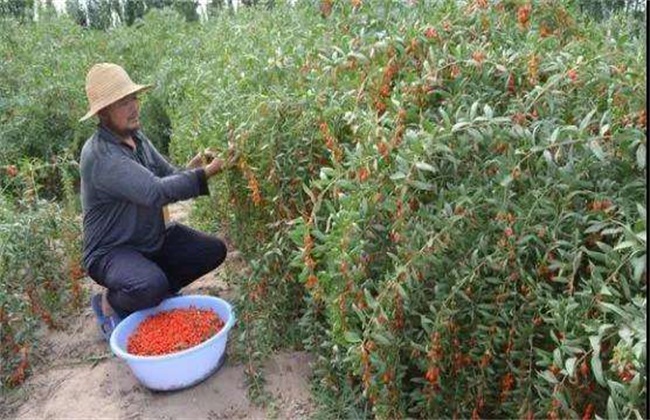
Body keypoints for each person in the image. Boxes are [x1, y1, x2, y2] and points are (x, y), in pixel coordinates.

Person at [79, 63, 231, 341]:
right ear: (102, 113)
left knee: (213, 251)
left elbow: (168, 176)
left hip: (149, 241)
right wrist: (206, 173)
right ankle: (113, 302)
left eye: (133, 98)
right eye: (123, 102)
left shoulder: (136, 136)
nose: (133, 107)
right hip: (112, 252)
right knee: (151, 286)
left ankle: (149, 288)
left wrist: (192, 168)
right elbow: (155, 192)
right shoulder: (102, 156)